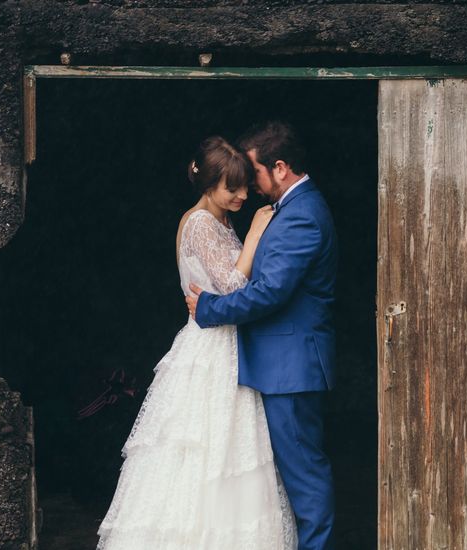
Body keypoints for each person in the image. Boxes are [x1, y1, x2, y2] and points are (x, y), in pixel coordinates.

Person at [96, 136, 297, 549]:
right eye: (233, 187)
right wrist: (257, 231)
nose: (243, 194)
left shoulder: (221, 219)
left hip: (227, 343)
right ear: (208, 183)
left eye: (244, 184)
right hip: (210, 349)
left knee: (233, 449)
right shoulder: (201, 223)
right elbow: (233, 283)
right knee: (202, 449)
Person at [186, 121, 338, 550]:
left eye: (255, 174)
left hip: (291, 367)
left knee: (304, 474)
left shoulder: (303, 215)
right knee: (291, 473)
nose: (250, 185)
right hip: (279, 366)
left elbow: (271, 291)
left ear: (281, 167)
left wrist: (209, 308)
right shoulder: (290, 210)